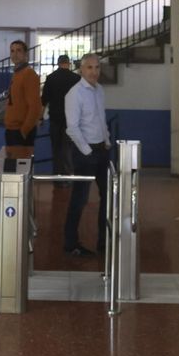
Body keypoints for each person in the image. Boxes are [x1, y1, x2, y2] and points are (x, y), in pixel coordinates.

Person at [62, 53, 110, 256]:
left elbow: (101, 119)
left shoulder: (99, 91)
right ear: (81, 70)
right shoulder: (75, 94)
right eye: (89, 67)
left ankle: (103, 242)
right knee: (79, 199)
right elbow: (72, 128)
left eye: (97, 67)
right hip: (85, 152)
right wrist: (88, 151)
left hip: (102, 150)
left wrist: (106, 141)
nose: (94, 72)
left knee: (108, 197)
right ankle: (71, 244)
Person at [41, 54, 80, 174]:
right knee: (68, 149)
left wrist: (40, 118)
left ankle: (57, 176)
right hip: (71, 120)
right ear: (68, 63)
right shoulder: (76, 78)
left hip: (55, 118)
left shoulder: (51, 78)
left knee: (56, 149)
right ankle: (68, 176)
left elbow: (44, 100)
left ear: (58, 63)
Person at [2, 39, 41, 148]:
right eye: (12, 51)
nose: (15, 54)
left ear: (25, 54)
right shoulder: (17, 73)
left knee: (20, 164)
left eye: (18, 50)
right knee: (13, 164)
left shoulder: (29, 74)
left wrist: (24, 130)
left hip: (20, 132)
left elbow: (35, 107)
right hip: (12, 130)